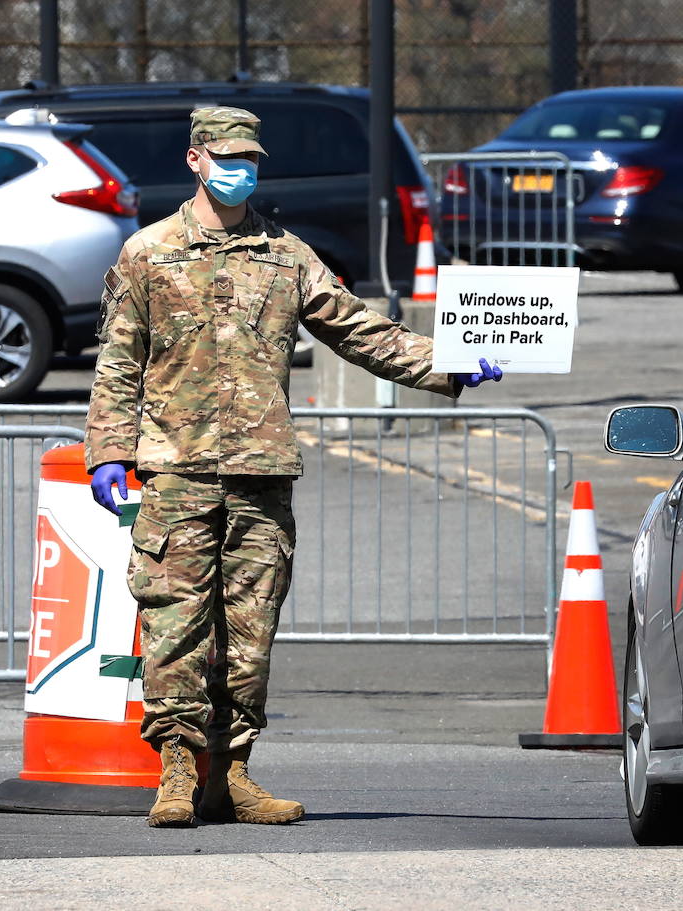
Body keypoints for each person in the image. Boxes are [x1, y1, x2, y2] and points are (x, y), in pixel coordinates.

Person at [85, 106, 503, 828]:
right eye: (226, 155)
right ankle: (179, 773)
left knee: (250, 630)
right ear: (196, 159)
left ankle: (234, 771)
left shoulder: (287, 256)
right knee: (175, 623)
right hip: (177, 471)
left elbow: (359, 329)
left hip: (260, 472)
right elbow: (118, 360)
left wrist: (450, 363)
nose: (238, 168)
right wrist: (109, 450)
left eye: (250, 157)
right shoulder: (147, 254)